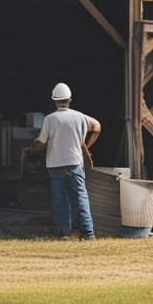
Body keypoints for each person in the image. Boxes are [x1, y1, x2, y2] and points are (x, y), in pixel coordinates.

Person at [31, 82, 101, 240]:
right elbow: (96, 127)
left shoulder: (50, 119)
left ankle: (64, 233)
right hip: (75, 163)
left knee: (60, 200)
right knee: (80, 198)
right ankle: (88, 234)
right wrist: (86, 146)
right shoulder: (80, 117)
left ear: (55, 100)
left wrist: (32, 148)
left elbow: (41, 142)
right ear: (70, 99)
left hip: (55, 165)